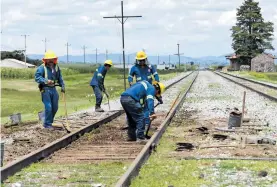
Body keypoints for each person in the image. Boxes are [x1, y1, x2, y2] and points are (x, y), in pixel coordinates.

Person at [128, 51, 163, 132]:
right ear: (137, 60)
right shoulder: (134, 68)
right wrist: (130, 82)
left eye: (143, 60)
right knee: (139, 106)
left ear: (146, 59)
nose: (142, 62)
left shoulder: (150, 67)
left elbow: (156, 75)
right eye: (140, 60)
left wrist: (157, 82)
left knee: (147, 105)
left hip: (148, 90)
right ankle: (138, 122)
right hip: (140, 90)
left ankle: (146, 122)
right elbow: (130, 77)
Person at [35, 50, 65, 129]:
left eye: (52, 59)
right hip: (45, 89)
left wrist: (62, 85)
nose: (51, 61)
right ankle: (47, 124)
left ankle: (48, 121)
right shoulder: (42, 68)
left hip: (53, 88)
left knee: (55, 107)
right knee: (48, 107)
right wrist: (46, 81)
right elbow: (37, 77)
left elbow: (60, 77)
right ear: (45, 60)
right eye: (49, 59)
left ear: (55, 59)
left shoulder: (56, 67)